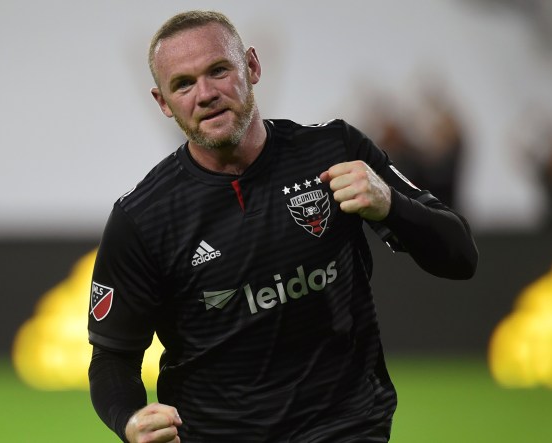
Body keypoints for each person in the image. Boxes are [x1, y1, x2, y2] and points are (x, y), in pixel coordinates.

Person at [87, 10, 478, 443]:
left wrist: (391, 205)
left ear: (252, 67)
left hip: (346, 428)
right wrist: (129, 418)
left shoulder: (335, 150)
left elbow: (460, 255)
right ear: (163, 102)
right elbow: (112, 356)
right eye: (183, 84)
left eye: (218, 70)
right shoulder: (142, 217)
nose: (205, 94)